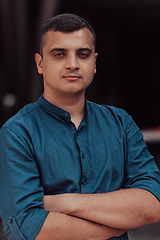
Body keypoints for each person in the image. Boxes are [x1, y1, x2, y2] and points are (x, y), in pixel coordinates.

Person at [0, 13, 160, 240]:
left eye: (82, 54)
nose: (73, 64)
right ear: (40, 63)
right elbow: (28, 227)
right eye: (59, 54)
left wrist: (63, 203)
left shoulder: (121, 123)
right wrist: (116, 224)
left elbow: (152, 205)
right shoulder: (17, 133)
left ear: (94, 63)